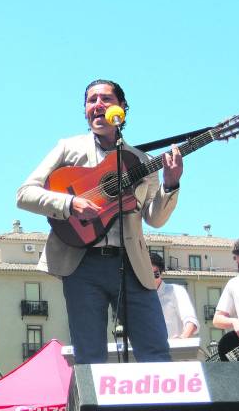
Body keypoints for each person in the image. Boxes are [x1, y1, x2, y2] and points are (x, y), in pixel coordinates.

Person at [16, 79, 183, 364]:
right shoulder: (68, 149)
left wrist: (171, 184)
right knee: (89, 355)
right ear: (85, 111)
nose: (97, 105)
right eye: (91, 100)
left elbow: (155, 218)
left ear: (121, 109)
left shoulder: (141, 161)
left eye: (105, 99)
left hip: (131, 264)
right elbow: (25, 194)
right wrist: (70, 203)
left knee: (155, 351)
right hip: (82, 264)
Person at [150, 253, 199, 339]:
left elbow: (191, 322)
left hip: (172, 350)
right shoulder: (138, 297)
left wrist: (181, 340)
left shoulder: (176, 291)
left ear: (161, 273)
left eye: (156, 274)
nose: (152, 279)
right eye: (148, 275)